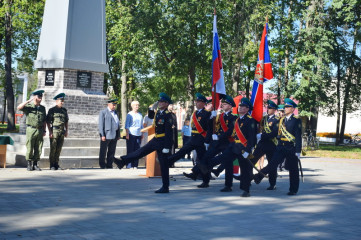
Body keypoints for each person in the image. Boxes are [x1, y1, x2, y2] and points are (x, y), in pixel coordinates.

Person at [114, 93, 174, 193]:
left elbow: (169, 132)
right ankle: (123, 161)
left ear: (167, 103)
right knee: (140, 151)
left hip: (163, 142)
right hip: (156, 139)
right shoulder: (158, 112)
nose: (159, 103)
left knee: (163, 165)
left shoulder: (168, 115)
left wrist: (167, 146)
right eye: (159, 101)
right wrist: (151, 108)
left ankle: (165, 187)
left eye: (162, 101)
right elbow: (150, 116)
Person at [196, 97, 257, 197]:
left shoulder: (250, 121)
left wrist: (248, 149)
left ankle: (246, 190)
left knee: (244, 169)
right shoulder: (237, 119)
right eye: (240, 106)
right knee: (223, 157)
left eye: (243, 107)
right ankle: (205, 166)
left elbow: (252, 137)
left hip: (243, 147)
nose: (240, 108)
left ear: (247, 109)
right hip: (234, 145)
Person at [183, 95, 237, 191]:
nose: (223, 105)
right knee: (205, 157)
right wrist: (211, 119)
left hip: (227, 143)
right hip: (217, 143)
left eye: (226, 104)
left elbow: (230, 131)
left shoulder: (233, 118)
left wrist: (219, 136)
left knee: (228, 164)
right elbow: (211, 128)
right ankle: (198, 175)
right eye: (223, 103)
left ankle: (228, 185)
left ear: (230, 106)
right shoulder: (219, 116)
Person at [253, 98, 302, 196]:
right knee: (272, 164)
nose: (285, 108)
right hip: (281, 147)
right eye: (285, 106)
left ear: (293, 109)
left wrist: (298, 150)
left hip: (291, 147)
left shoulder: (296, 120)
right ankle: (258, 176)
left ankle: (293, 189)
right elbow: (277, 133)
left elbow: (298, 136)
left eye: (288, 107)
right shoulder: (282, 120)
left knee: (293, 170)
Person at [167, 93, 211, 169]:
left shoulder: (207, 114)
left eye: (198, 101)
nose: (196, 103)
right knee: (182, 151)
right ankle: (168, 160)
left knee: (201, 159)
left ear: (203, 103)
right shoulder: (195, 113)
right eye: (196, 101)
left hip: (201, 139)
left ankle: (204, 178)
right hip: (193, 138)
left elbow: (209, 129)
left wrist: (207, 141)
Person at [251, 100, 280, 190]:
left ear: (274, 109)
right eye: (268, 107)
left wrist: (262, 135)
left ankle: (272, 184)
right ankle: (247, 179)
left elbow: (274, 133)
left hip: (271, 144)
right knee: (252, 160)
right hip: (262, 143)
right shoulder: (264, 118)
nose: (268, 109)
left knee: (271, 165)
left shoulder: (277, 120)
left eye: (270, 108)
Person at [17, 90, 47, 171]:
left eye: (41, 97)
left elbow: (44, 120)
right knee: (30, 147)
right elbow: (19, 107)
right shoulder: (29, 106)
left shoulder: (42, 108)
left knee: (39, 148)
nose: (40, 98)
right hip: (31, 129)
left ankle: (35, 164)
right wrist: (28, 101)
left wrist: (44, 130)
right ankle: (29, 164)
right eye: (39, 97)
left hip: (40, 130)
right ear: (35, 97)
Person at [46, 93, 69, 170]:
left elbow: (66, 121)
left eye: (63, 101)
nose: (62, 102)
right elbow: (48, 122)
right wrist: (50, 131)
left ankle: (56, 163)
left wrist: (66, 131)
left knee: (59, 149)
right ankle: (52, 164)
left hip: (62, 131)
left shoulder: (64, 110)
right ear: (56, 101)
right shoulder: (52, 110)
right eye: (60, 101)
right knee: (53, 148)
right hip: (54, 130)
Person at [98, 99, 120, 169]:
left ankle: (109, 164)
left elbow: (118, 124)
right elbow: (101, 125)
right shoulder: (103, 112)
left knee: (112, 151)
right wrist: (102, 135)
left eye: (115, 105)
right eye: (113, 104)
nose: (114, 106)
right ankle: (102, 164)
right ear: (108, 104)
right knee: (103, 151)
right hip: (106, 134)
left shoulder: (116, 112)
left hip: (114, 135)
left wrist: (118, 134)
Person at [125, 101, 143, 168]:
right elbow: (127, 125)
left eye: (138, 105)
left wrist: (142, 134)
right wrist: (127, 134)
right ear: (132, 106)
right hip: (131, 133)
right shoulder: (129, 114)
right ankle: (129, 164)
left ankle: (135, 165)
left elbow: (141, 125)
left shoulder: (140, 114)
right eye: (136, 105)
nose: (137, 106)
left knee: (137, 150)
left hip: (138, 134)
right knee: (130, 150)